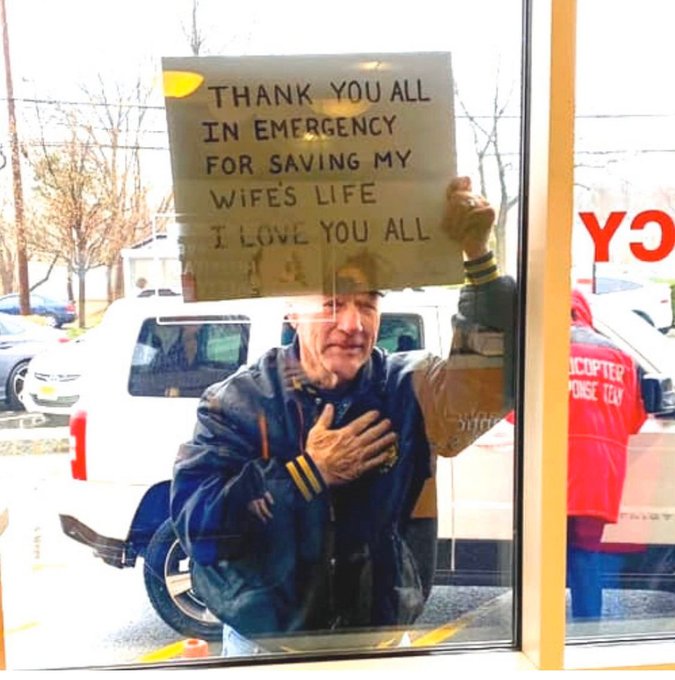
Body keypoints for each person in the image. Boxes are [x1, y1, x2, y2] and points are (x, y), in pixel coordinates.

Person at [170, 176, 516, 652]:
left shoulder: (408, 389)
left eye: (368, 303)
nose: (352, 324)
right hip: (269, 647)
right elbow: (201, 532)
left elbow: (491, 382)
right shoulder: (236, 404)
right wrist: (306, 475)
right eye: (333, 302)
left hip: (380, 641)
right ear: (292, 308)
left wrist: (478, 256)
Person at [566, 289, 647, 621]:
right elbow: (634, 420)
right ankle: (587, 630)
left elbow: (515, 415)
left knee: (540, 556)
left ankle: (536, 635)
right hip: (600, 474)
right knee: (585, 555)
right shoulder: (621, 357)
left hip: (552, 468)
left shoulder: (541, 350)